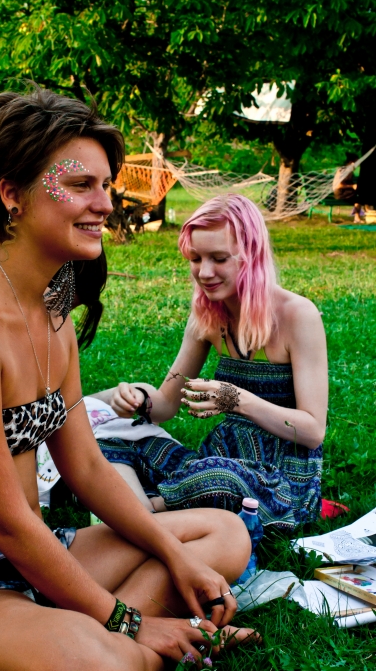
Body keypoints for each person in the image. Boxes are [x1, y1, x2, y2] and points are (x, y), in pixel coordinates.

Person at [0, 90, 256, 671]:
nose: (105, 204)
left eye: (105, 186)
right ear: (12, 194)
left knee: (223, 534)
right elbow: (3, 520)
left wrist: (176, 556)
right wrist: (130, 621)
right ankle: (145, 640)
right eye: (80, 185)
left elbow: (89, 469)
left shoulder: (54, 310)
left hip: (33, 555)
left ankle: (111, 630)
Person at [96, 194, 327, 531]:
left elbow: (312, 431)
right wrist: (139, 399)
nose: (204, 272)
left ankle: (143, 514)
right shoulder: (206, 316)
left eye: (219, 258)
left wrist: (236, 400)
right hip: (214, 461)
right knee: (109, 443)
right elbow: (165, 405)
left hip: (282, 482)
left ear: (252, 256)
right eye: (195, 258)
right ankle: (151, 516)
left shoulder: (298, 315)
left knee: (222, 478)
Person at [332, 153, 363, 223]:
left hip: (341, 192)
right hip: (340, 193)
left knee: (359, 195)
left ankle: (357, 217)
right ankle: (357, 218)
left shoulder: (345, 169)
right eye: (357, 162)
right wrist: (352, 186)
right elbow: (339, 185)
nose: (357, 165)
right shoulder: (347, 171)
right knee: (359, 197)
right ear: (352, 162)